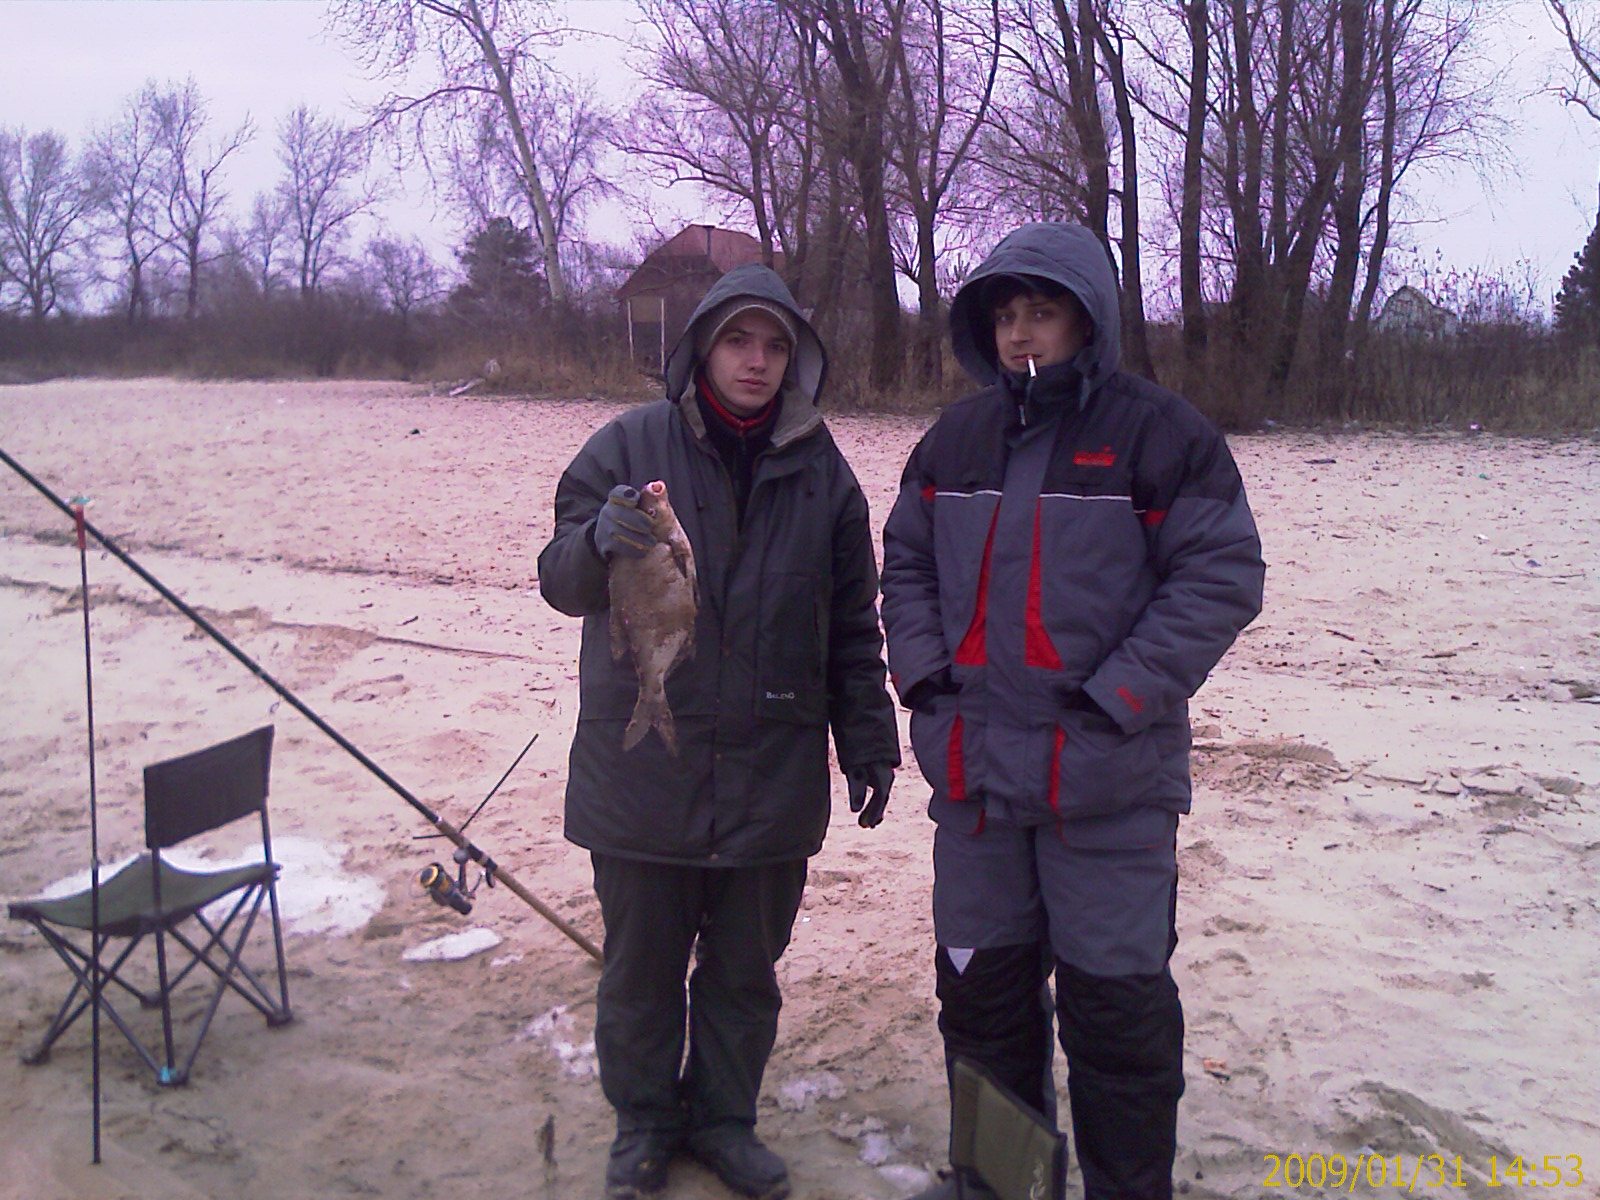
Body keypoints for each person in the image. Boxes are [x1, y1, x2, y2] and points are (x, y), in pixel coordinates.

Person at [881, 222, 1265, 1200]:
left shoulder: (1160, 435)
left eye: (1042, 311)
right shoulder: (954, 440)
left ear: (1087, 319)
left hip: (1107, 782)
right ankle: (1004, 1184)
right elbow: (907, 562)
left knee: (1117, 1018)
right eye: (1006, 314)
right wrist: (925, 681)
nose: (1021, 332)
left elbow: (1219, 576)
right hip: (975, 784)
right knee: (982, 1005)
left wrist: (1114, 699)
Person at [537, 263, 901, 1200]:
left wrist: (869, 739)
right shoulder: (627, 447)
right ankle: (645, 1125)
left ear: (795, 359)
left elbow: (852, 625)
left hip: (772, 775)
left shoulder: (825, 474)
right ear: (702, 346)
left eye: (776, 345)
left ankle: (724, 1121)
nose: (756, 360)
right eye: (739, 340)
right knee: (640, 974)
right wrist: (598, 541)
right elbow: (559, 582)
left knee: (744, 976)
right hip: (642, 777)